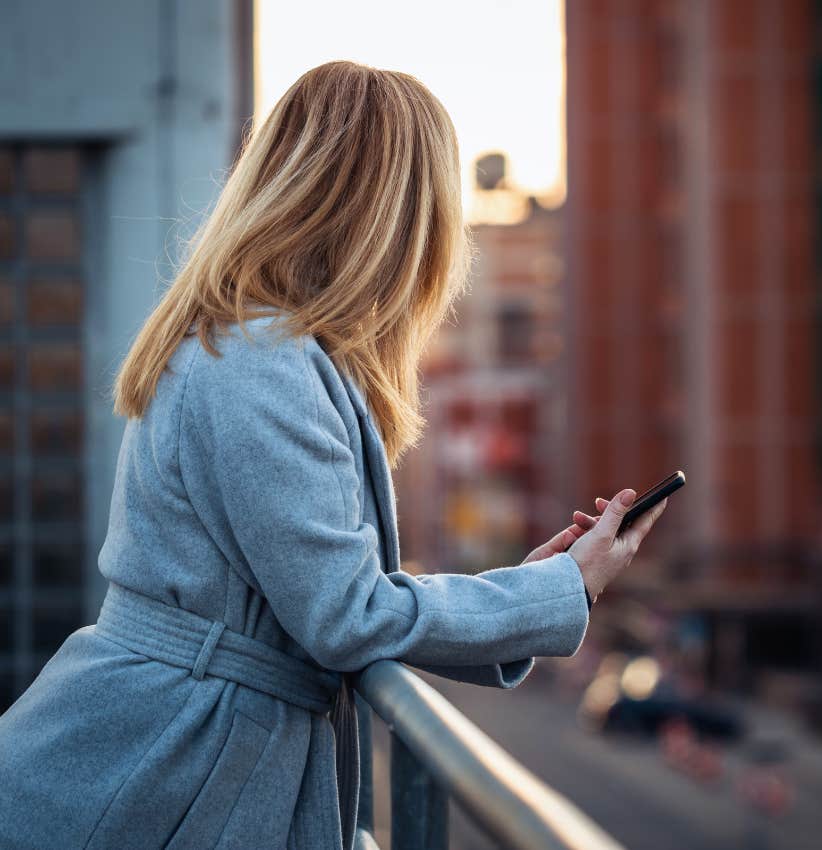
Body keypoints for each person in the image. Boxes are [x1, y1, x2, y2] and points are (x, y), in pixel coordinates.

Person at [0, 60, 667, 850]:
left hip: (171, 754)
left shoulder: (263, 350)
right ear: (397, 216)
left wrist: (536, 586)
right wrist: (564, 588)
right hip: (162, 768)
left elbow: (333, 591)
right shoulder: (260, 365)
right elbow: (345, 617)